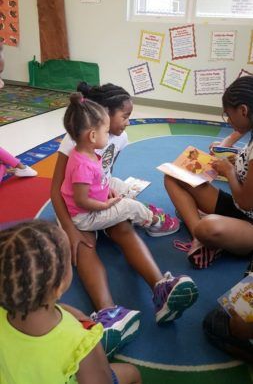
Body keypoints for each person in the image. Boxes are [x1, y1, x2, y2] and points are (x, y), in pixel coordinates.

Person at [51, 83, 198, 340]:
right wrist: (70, 230)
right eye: (125, 116)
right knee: (84, 244)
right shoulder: (76, 139)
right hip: (74, 206)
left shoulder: (118, 137)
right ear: (103, 116)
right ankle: (107, 313)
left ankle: (161, 288)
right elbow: (56, 190)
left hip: (97, 195)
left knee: (122, 226)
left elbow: (105, 172)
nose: (128, 122)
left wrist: (108, 192)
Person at [0, 219, 141, 384]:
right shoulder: (79, 342)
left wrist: (67, 311)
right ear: (59, 287)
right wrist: (93, 344)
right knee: (132, 373)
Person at [164, 76, 253, 269]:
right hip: (240, 209)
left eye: (228, 115)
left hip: (250, 223)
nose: (228, 121)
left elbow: (247, 202)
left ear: (244, 110)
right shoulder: (250, 128)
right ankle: (205, 239)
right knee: (173, 176)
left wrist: (229, 171)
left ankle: (206, 237)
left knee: (207, 227)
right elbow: (239, 134)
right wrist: (233, 156)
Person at [62, 93, 179, 237]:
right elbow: (81, 200)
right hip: (86, 217)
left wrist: (105, 189)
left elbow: (94, 182)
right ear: (92, 136)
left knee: (118, 184)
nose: (107, 135)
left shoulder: (86, 153)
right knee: (129, 207)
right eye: (105, 132)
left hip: (93, 205)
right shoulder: (83, 166)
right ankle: (154, 222)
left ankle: (141, 211)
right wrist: (105, 205)